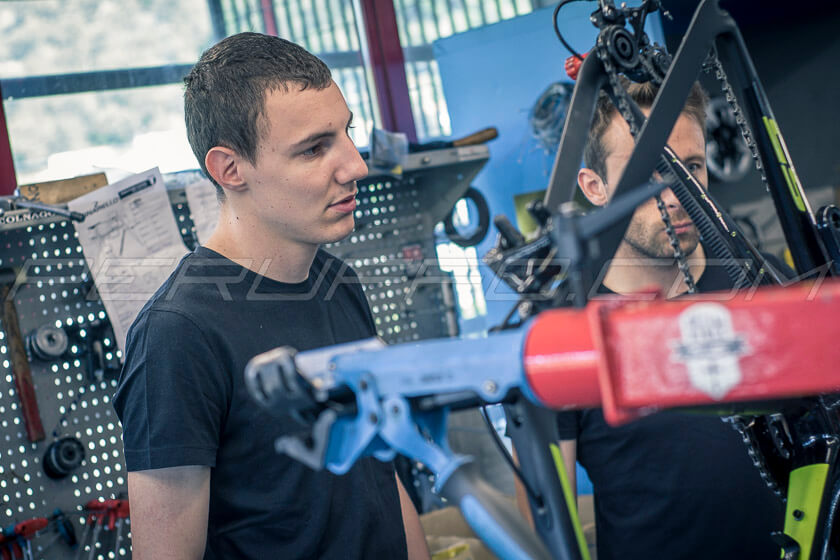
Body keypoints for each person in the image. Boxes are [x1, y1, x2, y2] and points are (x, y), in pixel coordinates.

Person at [113, 32, 429, 560]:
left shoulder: (337, 283)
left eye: (346, 133)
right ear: (229, 169)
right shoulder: (178, 334)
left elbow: (379, 475)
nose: (355, 166)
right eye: (314, 148)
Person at [552, 80, 786, 559]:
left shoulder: (765, 284)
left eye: (691, 167)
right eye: (650, 171)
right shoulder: (564, 332)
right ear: (594, 187)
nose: (676, 194)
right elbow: (547, 522)